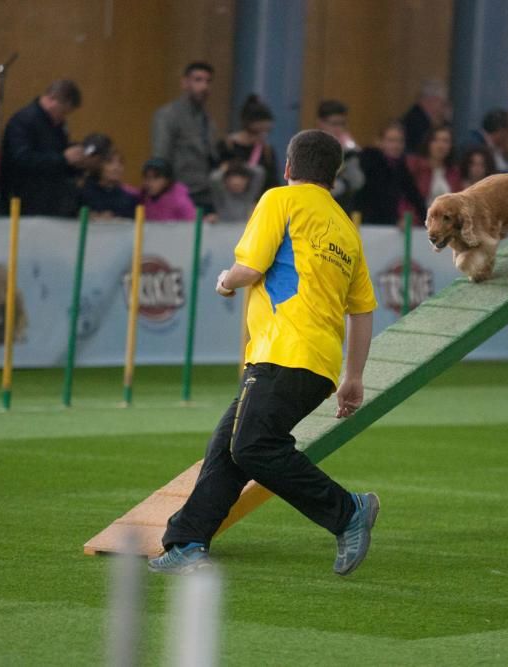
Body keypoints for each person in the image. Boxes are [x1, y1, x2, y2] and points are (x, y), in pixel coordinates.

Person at [148, 129, 379, 577]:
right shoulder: (347, 230)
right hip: (320, 364)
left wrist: (224, 281)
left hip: (283, 353)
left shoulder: (279, 200)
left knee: (251, 445)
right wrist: (353, 377)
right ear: (334, 176)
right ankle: (187, 541)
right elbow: (363, 311)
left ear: (289, 168)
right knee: (228, 448)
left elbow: (250, 267)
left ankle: (347, 511)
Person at [0, 79, 91, 216]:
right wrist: (63, 159)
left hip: (50, 201)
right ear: (52, 99)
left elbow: (59, 156)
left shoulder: (57, 125)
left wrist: (76, 162)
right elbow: (21, 159)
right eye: (63, 112)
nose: (63, 118)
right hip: (23, 200)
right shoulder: (23, 121)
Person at [150, 62, 219, 212]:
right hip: (178, 194)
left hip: (206, 193)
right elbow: (161, 158)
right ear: (185, 83)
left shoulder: (207, 119)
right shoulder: (168, 115)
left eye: (208, 81)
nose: (204, 86)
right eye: (198, 80)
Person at [354, 121, 426, 225]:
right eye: (391, 141)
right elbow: (377, 197)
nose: (396, 145)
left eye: (400, 141)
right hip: (365, 222)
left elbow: (414, 195)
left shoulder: (400, 166)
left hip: (386, 224)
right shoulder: (369, 162)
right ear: (379, 142)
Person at [217, 94, 279, 194]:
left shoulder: (267, 151)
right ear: (246, 128)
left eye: (267, 131)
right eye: (258, 132)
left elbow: (273, 185)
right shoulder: (226, 146)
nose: (263, 136)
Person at [316, 99, 363, 212]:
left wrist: (351, 154)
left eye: (342, 124)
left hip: (342, 211)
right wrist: (342, 184)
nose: (338, 129)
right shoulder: (310, 149)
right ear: (320, 123)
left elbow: (357, 181)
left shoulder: (348, 150)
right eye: (334, 124)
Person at [406, 125, 462, 210]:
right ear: (428, 143)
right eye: (435, 140)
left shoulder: (454, 173)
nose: (440, 145)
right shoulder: (415, 166)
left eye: (445, 141)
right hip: (417, 220)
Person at [79, 149, 138, 220]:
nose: (116, 168)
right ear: (100, 166)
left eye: (120, 163)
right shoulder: (85, 194)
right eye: (110, 162)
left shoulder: (129, 199)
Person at [140, 157, 197, 222]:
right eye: (146, 177)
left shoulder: (180, 201)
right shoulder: (143, 196)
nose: (149, 182)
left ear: (167, 180)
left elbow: (193, 223)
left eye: (156, 178)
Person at [401, 79, 448, 154]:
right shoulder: (416, 122)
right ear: (432, 100)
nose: (443, 107)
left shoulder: (417, 117)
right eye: (442, 102)